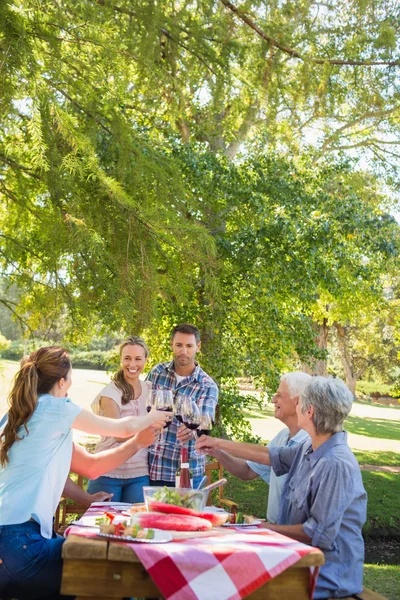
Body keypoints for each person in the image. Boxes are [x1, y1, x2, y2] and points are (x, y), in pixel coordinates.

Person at [0, 346, 168, 600]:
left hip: (12, 548)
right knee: (114, 573)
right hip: (21, 545)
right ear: (62, 381)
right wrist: (153, 415)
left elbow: (91, 467)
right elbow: (121, 427)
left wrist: (136, 444)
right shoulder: (56, 408)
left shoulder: (16, 417)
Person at [196, 376, 367, 600]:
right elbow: (270, 456)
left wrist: (260, 527)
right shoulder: (311, 445)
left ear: (310, 412)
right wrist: (217, 444)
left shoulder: (336, 464)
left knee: (231, 582)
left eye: (300, 402)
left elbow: (319, 534)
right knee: (221, 574)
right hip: (300, 559)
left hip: (327, 573)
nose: (297, 405)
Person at [206, 372, 311, 523]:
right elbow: (247, 471)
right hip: (276, 532)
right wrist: (217, 452)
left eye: (279, 395)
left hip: (293, 535)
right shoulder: (283, 435)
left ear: (297, 401)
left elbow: (267, 456)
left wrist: (218, 442)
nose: (273, 399)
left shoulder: (309, 443)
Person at [146, 323, 218, 489]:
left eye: (189, 346)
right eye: (179, 345)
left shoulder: (207, 385)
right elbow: (145, 407)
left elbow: (204, 422)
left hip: (188, 470)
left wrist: (192, 431)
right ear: (171, 344)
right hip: (155, 466)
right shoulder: (157, 372)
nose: (184, 351)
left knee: (187, 515)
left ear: (197, 347)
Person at [87, 336, 153, 503]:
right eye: (127, 358)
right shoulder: (110, 394)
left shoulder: (150, 390)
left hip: (139, 473)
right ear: (121, 360)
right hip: (107, 471)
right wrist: (148, 430)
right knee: (101, 526)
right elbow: (117, 433)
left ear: (146, 360)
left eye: (138, 359)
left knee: (135, 526)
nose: (132, 364)